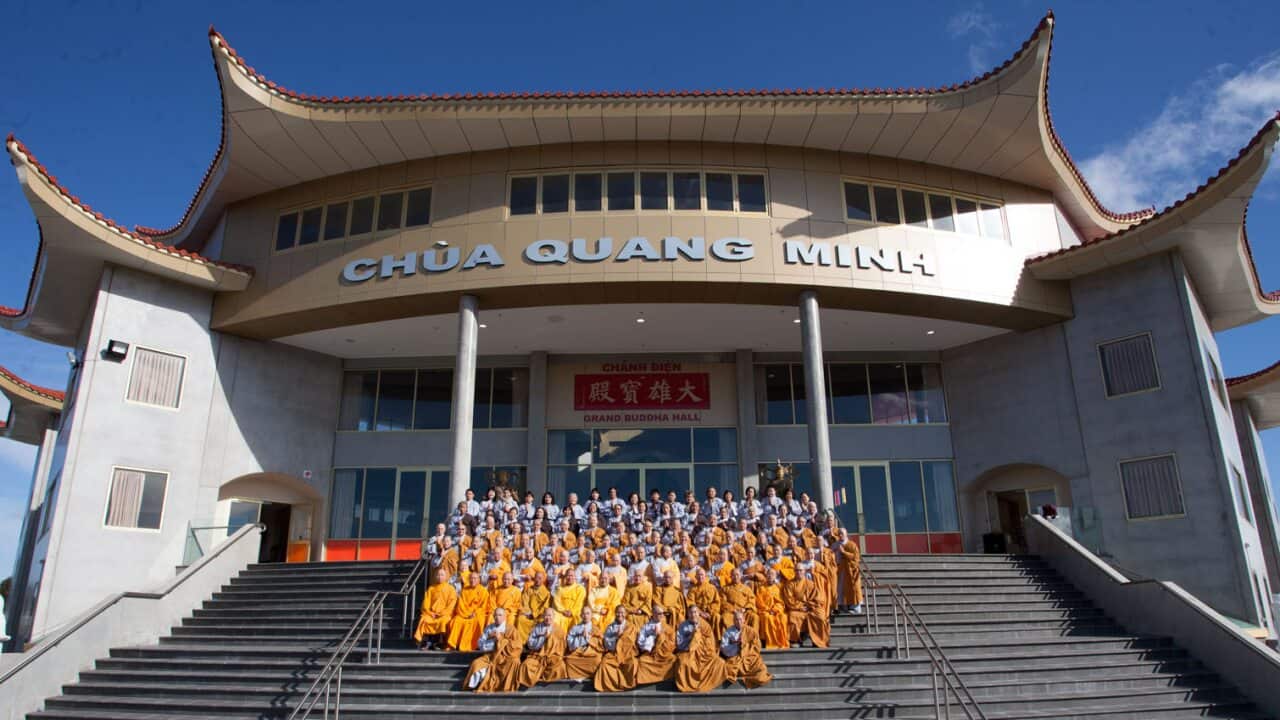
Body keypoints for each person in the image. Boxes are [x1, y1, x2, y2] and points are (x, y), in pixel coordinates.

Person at [464, 607, 521, 692]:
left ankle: (505, 686)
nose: (497, 617)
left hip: (504, 656)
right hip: (489, 656)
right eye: (495, 615)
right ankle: (473, 685)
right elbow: (480, 644)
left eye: (500, 615)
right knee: (476, 664)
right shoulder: (489, 628)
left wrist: (501, 640)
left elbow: (518, 645)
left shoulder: (511, 629)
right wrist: (491, 640)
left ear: (505, 616)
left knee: (515, 661)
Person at [674, 606, 728, 692]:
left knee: (720, 662)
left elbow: (711, 643)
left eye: (695, 612)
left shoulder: (705, 625)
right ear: (687, 614)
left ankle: (705, 684)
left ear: (699, 613)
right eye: (691, 612)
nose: (693, 615)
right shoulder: (683, 626)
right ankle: (689, 685)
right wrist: (692, 637)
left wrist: (699, 640)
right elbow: (680, 644)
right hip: (688, 652)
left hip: (704, 654)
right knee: (683, 663)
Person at [722, 608, 772, 689]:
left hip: (750, 657)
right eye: (736, 620)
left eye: (740, 619)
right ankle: (744, 674)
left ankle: (751, 678)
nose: (739, 622)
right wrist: (736, 645)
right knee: (729, 668)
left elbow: (757, 646)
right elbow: (724, 648)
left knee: (761, 668)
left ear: (744, 620)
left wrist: (745, 647)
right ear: (733, 621)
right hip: (736, 657)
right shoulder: (728, 632)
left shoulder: (750, 631)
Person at [517, 608, 567, 688]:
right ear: (543, 616)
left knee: (560, 666)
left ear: (554, 616)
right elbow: (530, 644)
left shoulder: (559, 630)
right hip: (537, 656)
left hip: (552, 656)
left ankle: (553, 688)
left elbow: (562, 648)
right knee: (525, 665)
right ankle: (526, 688)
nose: (548, 618)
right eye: (546, 615)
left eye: (550, 615)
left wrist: (550, 640)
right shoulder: (537, 628)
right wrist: (543, 638)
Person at [594, 605, 639, 692]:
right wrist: (616, 637)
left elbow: (632, 641)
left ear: (625, 614)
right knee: (604, 664)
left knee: (633, 663)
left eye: (622, 612)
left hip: (627, 653)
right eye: (618, 612)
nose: (620, 615)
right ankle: (611, 685)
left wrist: (622, 638)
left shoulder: (631, 626)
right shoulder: (610, 627)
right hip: (613, 653)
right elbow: (606, 642)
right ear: (615, 614)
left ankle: (626, 685)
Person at [414, 568, 458, 650]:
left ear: (446, 577)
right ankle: (427, 641)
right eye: (438, 575)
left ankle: (440, 642)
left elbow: (452, 604)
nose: (440, 577)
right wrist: (430, 613)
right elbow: (425, 603)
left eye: (442, 575)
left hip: (444, 614)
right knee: (424, 619)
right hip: (432, 613)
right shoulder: (431, 588)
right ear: (435, 576)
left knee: (444, 621)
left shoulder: (450, 589)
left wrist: (441, 613)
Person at [633, 605, 677, 686]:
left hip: (664, 654)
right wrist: (651, 639)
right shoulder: (646, 627)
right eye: (660, 613)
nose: (662, 615)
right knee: (642, 661)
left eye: (663, 613)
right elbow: (640, 642)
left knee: (673, 659)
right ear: (653, 614)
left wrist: (660, 635)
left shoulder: (667, 627)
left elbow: (672, 642)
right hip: (651, 654)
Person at [448, 572, 490, 651]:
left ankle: (474, 645)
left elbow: (484, 607)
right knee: (456, 620)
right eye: (471, 578)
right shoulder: (464, 590)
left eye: (475, 578)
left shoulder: (483, 591)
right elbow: (460, 604)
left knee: (477, 621)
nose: (473, 580)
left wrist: (475, 613)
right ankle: (454, 645)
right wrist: (466, 614)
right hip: (464, 613)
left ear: (479, 580)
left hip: (476, 614)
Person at [563, 606, 604, 680]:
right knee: (569, 661)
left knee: (597, 660)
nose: (586, 616)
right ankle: (577, 675)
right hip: (578, 651)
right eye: (584, 614)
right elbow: (569, 642)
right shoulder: (575, 628)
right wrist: (581, 638)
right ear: (581, 615)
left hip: (590, 652)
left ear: (591, 615)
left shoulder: (595, 628)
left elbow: (600, 643)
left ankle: (591, 675)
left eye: (588, 613)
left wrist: (588, 639)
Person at [755, 568, 789, 649]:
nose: (770, 576)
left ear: (776, 576)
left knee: (783, 617)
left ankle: (781, 642)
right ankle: (769, 642)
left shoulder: (779, 587)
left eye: (772, 574)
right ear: (766, 575)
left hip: (776, 610)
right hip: (765, 611)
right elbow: (759, 602)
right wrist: (768, 609)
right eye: (769, 574)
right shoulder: (761, 587)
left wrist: (775, 610)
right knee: (767, 618)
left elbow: (781, 602)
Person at [836, 528, 864, 614]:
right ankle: (842, 606)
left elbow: (856, 558)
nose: (841, 535)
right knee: (841, 588)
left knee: (853, 588)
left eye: (842, 533)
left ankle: (856, 607)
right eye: (839, 534)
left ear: (846, 534)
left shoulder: (852, 545)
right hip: (840, 570)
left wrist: (844, 552)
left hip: (851, 570)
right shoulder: (836, 545)